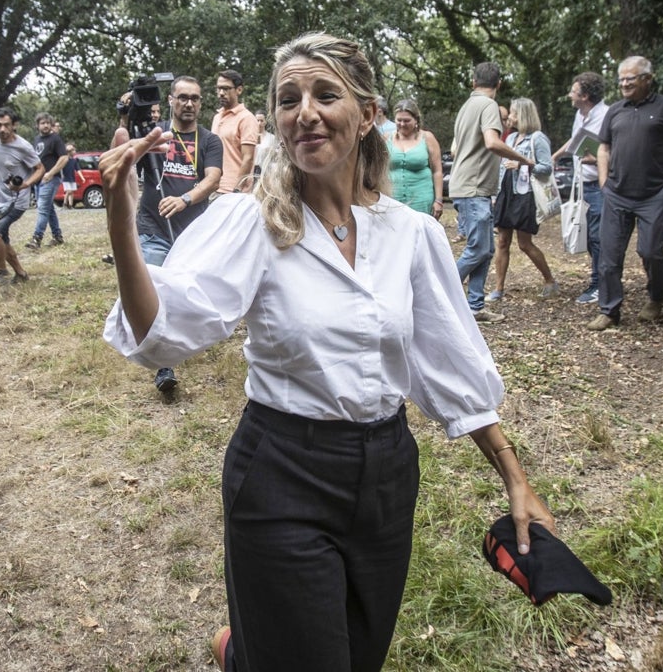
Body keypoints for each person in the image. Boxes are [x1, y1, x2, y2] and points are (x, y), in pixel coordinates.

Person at [101, 33, 555, 672]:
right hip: (282, 470)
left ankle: (244, 654)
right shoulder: (252, 222)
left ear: (366, 114)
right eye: (288, 99)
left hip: (387, 477)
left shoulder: (412, 235)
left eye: (324, 94)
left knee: (355, 657)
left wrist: (515, 478)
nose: (304, 111)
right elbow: (161, 335)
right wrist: (121, 219)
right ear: (277, 123)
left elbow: (451, 363)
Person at [134, 75, 223, 398]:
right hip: (153, 227)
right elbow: (126, 157)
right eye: (182, 97)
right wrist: (129, 121)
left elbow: (212, 179)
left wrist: (185, 199)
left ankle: (183, 340)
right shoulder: (155, 137)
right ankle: (164, 365)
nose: (189, 103)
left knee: (185, 294)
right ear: (170, 100)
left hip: (191, 233)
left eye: (195, 98)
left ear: (201, 103)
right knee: (156, 291)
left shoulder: (209, 140)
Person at [588, 56, 663, 331]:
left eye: (630, 79)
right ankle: (609, 311)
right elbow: (603, 148)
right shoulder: (615, 110)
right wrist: (603, 182)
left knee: (651, 251)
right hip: (617, 194)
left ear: (647, 79)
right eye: (621, 79)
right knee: (609, 256)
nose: (623, 84)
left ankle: (656, 298)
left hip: (655, 195)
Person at [450, 62, 531, 323]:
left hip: (469, 185)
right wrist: (523, 159)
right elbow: (492, 142)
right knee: (478, 249)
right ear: (499, 84)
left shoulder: (466, 107)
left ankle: (475, 306)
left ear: (473, 82)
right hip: (474, 186)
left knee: (484, 250)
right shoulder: (488, 106)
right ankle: (439, 291)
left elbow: (454, 149)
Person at [486, 98, 559, 301]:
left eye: (514, 113)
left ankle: (550, 280)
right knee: (502, 241)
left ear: (524, 115)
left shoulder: (538, 138)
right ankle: (498, 288)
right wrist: (495, 194)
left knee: (524, 244)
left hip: (525, 195)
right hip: (506, 192)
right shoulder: (510, 139)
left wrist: (522, 165)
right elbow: (501, 167)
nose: (510, 116)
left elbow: (546, 167)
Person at [553, 72, 609, 305]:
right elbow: (576, 140)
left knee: (598, 237)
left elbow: (615, 152)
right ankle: (600, 280)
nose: (569, 95)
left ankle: (600, 285)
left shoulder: (607, 115)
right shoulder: (579, 114)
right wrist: (556, 155)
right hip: (581, 184)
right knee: (587, 235)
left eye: (573, 92)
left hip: (599, 184)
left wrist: (596, 160)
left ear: (585, 95)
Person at [0, 107, 43, 284]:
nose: (2, 129)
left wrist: (25, 184)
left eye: (6, 125)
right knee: (3, 239)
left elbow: (40, 169)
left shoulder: (23, 147)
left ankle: (2, 271)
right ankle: (21, 273)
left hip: (16, 201)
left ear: (14, 125)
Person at [385, 98, 444, 218]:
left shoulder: (427, 138)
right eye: (399, 120)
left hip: (421, 199)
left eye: (406, 121)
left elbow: (437, 171)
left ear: (416, 120)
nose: (402, 124)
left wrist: (438, 200)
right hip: (392, 199)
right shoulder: (386, 138)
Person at [212, 69, 258, 195]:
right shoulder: (217, 117)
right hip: (214, 188)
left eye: (226, 89)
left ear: (239, 90)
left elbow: (248, 158)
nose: (221, 93)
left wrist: (237, 189)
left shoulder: (246, 118)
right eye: (219, 88)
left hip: (233, 191)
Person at [25, 113, 67, 250]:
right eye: (43, 123)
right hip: (38, 180)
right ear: (37, 125)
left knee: (42, 209)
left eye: (48, 123)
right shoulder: (37, 139)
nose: (46, 125)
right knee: (49, 209)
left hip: (50, 179)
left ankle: (36, 239)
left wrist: (51, 173)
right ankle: (57, 236)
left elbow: (64, 158)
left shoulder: (55, 138)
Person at [252, 111, 275, 177]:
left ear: (265, 121)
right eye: (257, 120)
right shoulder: (249, 136)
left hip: (265, 172)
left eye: (261, 120)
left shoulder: (271, 138)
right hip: (251, 171)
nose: (259, 123)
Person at [61, 143, 78, 208]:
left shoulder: (74, 160)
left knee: (71, 192)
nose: (74, 152)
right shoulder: (65, 159)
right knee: (68, 191)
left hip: (72, 178)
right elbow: (61, 167)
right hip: (66, 178)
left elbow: (77, 169)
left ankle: (70, 205)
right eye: (73, 150)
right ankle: (64, 204)